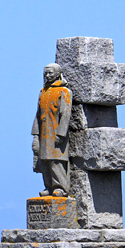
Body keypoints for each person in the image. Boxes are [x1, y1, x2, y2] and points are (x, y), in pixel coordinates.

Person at [32, 63, 72, 197]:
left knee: (56, 161)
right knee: (44, 161)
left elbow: (65, 114)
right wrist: (35, 135)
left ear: (57, 74)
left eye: (50, 73)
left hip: (56, 133)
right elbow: (38, 115)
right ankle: (48, 186)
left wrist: (61, 133)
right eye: (46, 73)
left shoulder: (64, 92)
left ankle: (60, 187)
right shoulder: (43, 92)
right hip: (44, 133)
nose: (48, 76)